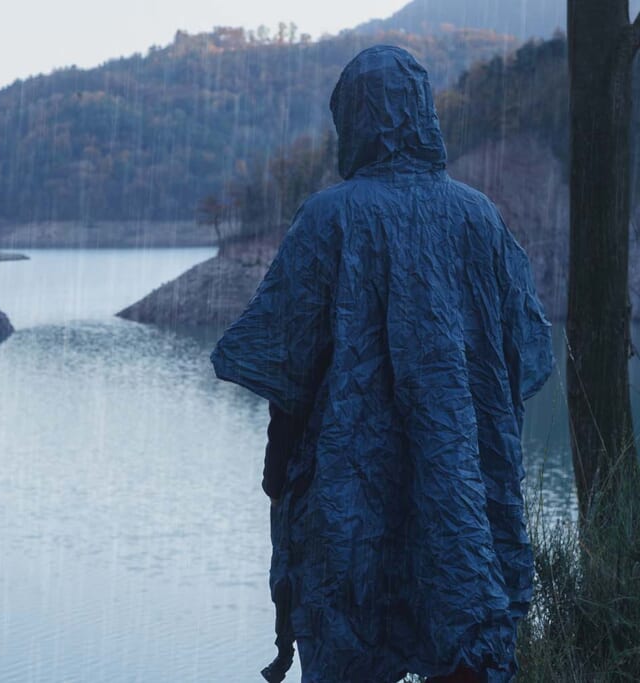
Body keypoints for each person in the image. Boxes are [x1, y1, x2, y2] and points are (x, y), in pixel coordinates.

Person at [210, 45, 554, 682]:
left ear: (355, 120)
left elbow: (288, 366)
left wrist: (276, 469)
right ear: (423, 113)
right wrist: (483, 452)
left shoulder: (330, 218)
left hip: (350, 483)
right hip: (457, 484)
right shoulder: (479, 216)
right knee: (461, 618)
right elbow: (519, 359)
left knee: (349, 628)